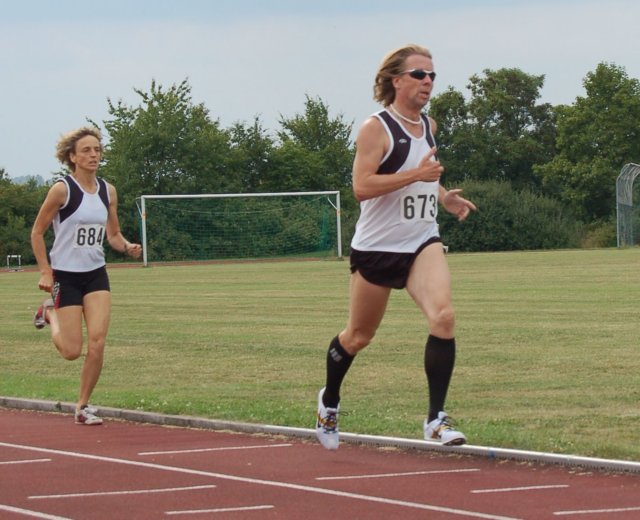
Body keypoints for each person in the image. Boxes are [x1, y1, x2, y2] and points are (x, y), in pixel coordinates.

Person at [315, 44, 477, 450]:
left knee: (444, 317)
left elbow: (424, 174)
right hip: (377, 248)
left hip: (422, 240)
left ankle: (435, 419)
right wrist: (416, 176)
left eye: (432, 75)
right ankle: (329, 401)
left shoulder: (429, 125)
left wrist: (442, 196)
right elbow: (362, 186)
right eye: (419, 74)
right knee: (358, 336)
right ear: (396, 80)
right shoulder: (376, 128)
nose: (428, 82)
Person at [31, 126, 142, 425]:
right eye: (86, 151)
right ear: (72, 157)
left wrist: (127, 246)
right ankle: (50, 313)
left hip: (95, 275)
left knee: (98, 342)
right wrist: (45, 271)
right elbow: (37, 232)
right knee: (71, 351)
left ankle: (82, 406)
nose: (94, 155)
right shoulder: (62, 190)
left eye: (97, 150)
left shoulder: (108, 191)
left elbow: (113, 235)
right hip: (65, 277)